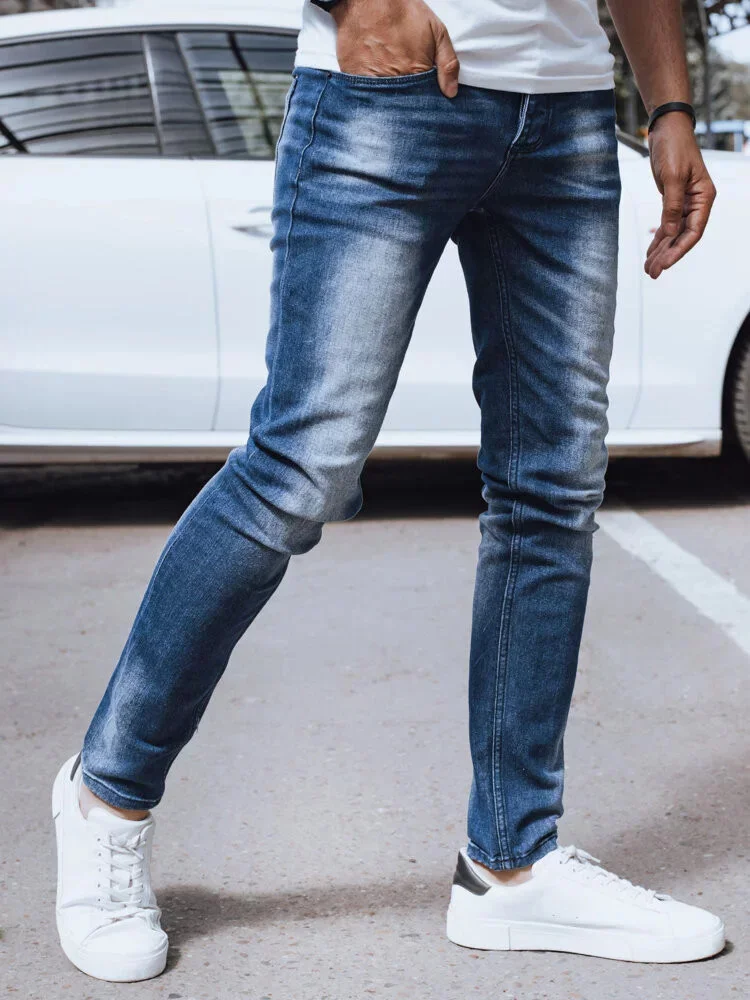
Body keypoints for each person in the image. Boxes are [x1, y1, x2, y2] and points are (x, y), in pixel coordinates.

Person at [52, 0, 722, 983]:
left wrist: (668, 104)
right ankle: (106, 794)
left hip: (569, 108)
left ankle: (512, 861)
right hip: (388, 94)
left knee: (553, 489)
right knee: (301, 469)